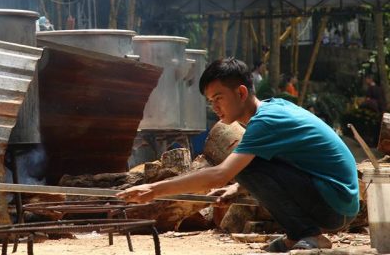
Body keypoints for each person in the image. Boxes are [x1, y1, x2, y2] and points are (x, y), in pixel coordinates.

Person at [117, 58, 359, 252]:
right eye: (211, 101)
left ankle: (307, 234)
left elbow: (221, 174)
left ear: (241, 92)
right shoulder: (274, 107)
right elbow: (288, 162)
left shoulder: (265, 122)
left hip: (334, 205)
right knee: (247, 166)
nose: (215, 107)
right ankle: (298, 234)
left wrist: (154, 190)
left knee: (243, 166)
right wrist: (237, 189)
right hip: (339, 201)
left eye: (219, 98)